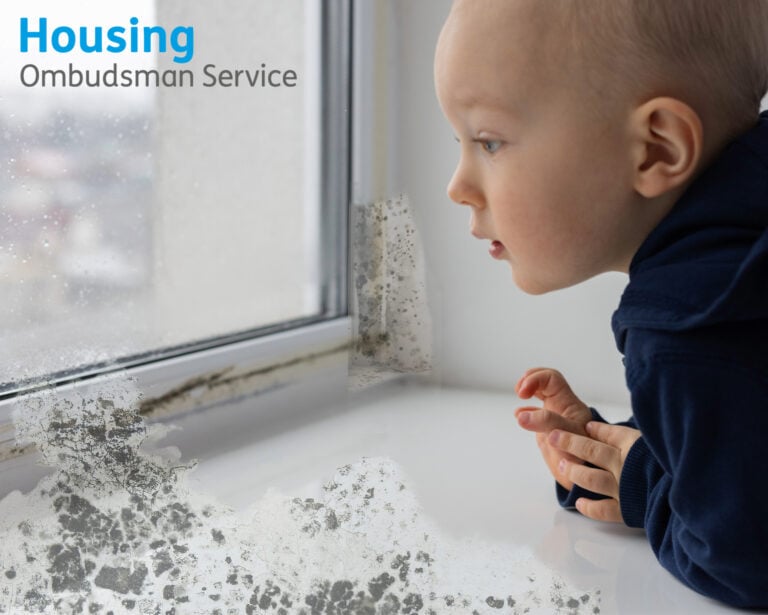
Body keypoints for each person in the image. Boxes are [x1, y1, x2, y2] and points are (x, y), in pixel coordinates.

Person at [434, 0, 768, 608]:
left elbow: (743, 558)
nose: (456, 187)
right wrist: (622, 443)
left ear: (656, 149)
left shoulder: (690, 330)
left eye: (489, 141)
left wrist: (644, 482)